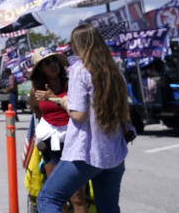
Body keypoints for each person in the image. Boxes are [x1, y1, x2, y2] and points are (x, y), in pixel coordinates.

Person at [36, 24, 132, 213]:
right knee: (108, 208)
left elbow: (78, 114)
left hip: (86, 151)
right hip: (114, 151)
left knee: (48, 199)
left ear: (79, 45)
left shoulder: (80, 70)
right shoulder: (114, 71)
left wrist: (63, 101)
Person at [28, 48, 86, 213]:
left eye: (54, 60)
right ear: (40, 69)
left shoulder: (71, 83)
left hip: (73, 142)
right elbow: (37, 112)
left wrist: (53, 98)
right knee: (57, 197)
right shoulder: (35, 91)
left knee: (77, 196)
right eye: (47, 62)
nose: (53, 65)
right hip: (51, 145)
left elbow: (78, 110)